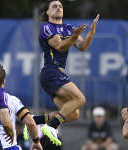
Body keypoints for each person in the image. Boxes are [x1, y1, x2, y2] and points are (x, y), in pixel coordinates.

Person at [33, 0, 100, 146]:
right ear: (48, 12)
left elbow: (82, 47)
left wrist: (92, 31)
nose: (58, 8)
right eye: (54, 6)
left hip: (55, 74)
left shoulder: (68, 28)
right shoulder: (47, 27)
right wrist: (74, 36)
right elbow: (60, 46)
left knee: (73, 114)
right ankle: (51, 127)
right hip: (51, 72)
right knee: (80, 99)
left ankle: (35, 120)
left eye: (60, 6)